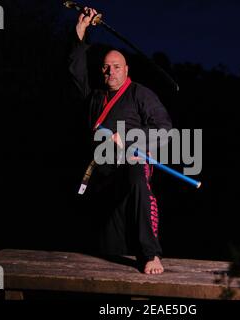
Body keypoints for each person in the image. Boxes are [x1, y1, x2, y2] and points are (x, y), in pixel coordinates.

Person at [69, 7, 172, 274]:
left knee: (139, 179)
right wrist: (80, 33)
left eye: (116, 67)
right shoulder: (94, 97)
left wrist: (127, 138)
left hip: (132, 161)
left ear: (126, 69)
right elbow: (76, 73)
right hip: (103, 169)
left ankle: (152, 254)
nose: (110, 72)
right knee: (108, 241)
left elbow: (164, 128)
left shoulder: (141, 94)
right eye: (106, 68)